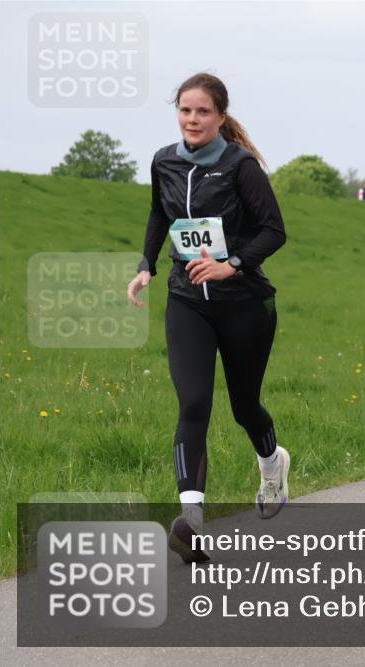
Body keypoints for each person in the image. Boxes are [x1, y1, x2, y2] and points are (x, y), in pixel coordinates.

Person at [127, 72, 289, 563]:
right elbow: (161, 215)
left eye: (202, 111)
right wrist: (146, 265)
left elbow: (273, 231)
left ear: (220, 116)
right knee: (194, 403)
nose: (192, 119)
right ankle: (191, 523)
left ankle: (272, 464)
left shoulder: (241, 167)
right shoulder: (164, 161)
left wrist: (230, 265)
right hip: (187, 301)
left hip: (244, 304)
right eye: (185, 110)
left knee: (244, 407)